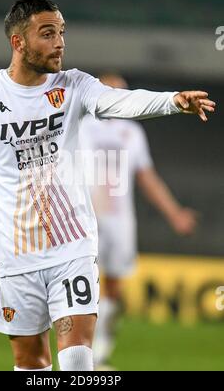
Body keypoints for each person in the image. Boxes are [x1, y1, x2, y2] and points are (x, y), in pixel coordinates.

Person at [0, 0, 215, 372]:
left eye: (62, 32)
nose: (60, 42)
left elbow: (120, 101)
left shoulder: (74, 87)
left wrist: (172, 100)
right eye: (48, 33)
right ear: (18, 42)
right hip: (13, 253)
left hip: (70, 248)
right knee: (31, 363)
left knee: (76, 359)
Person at [80, 74, 198, 369]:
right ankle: (80, 352)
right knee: (82, 285)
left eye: (121, 90)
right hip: (83, 218)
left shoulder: (132, 133)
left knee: (113, 287)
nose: (116, 95)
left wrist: (175, 214)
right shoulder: (82, 125)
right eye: (111, 89)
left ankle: (100, 353)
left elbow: (147, 178)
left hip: (119, 220)